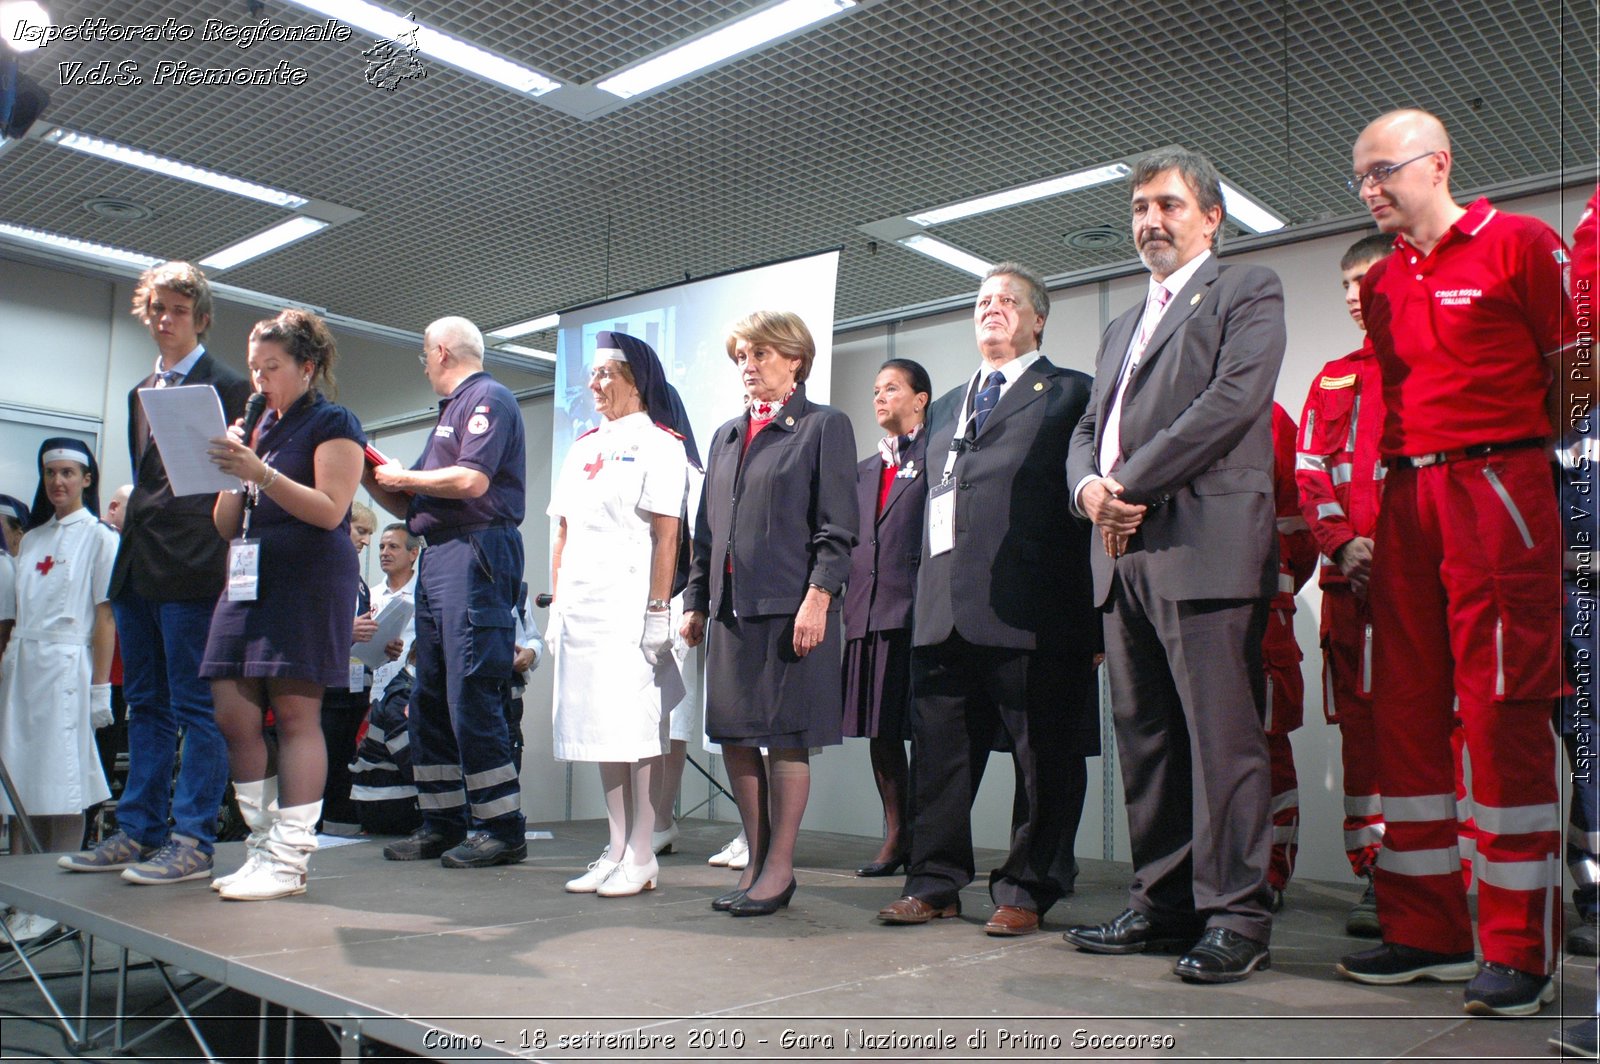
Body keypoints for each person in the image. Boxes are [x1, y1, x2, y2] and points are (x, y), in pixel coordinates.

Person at [1333, 108, 1577, 1018]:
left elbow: (1576, 373)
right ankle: (1425, 931)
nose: (1369, 189)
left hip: (1498, 489)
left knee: (1502, 712)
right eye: (1359, 178)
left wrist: (1538, 473)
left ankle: (1518, 948)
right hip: (1406, 502)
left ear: (1436, 164)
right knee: (1404, 713)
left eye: (1381, 171)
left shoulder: (1519, 243)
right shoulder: (1386, 280)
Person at [1064, 148, 1285, 983]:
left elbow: (1229, 403)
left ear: (1211, 218)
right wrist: (1089, 489)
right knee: (1148, 740)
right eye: (1139, 209)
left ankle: (1237, 917)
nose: (1150, 221)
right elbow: (1088, 427)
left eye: (1168, 205)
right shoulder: (1122, 324)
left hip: (1202, 547)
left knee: (1223, 745)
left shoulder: (1245, 290)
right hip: (1120, 550)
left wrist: (1125, 482)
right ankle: (1163, 905)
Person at [874, 264, 1096, 938]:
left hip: (1034, 609)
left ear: (1037, 320)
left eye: (1008, 301)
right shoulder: (943, 407)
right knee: (940, 759)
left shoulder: (1071, 394)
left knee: (1044, 759)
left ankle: (1029, 887)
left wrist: (1092, 624)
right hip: (944, 610)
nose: (992, 309)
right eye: (982, 301)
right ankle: (935, 882)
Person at [61, 261, 251, 884]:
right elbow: (147, 478)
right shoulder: (141, 388)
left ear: (200, 317)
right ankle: (136, 830)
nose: (165, 320)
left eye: (177, 310)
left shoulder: (230, 385)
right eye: (157, 310)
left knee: (198, 706)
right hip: (140, 558)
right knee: (144, 702)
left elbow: (232, 481)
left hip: (197, 559)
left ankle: (193, 838)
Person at [682, 310, 857, 917]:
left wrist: (819, 597)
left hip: (791, 611)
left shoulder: (823, 426)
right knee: (734, 735)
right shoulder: (726, 435)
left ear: (795, 362)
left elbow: (838, 528)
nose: (747, 367)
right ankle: (754, 863)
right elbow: (706, 532)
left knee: (785, 741)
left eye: (759, 355)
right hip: (731, 613)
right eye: (740, 357)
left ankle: (780, 869)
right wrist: (697, 601)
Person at [199, 309, 365, 901]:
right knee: (232, 712)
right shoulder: (257, 427)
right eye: (253, 368)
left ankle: (291, 857)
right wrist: (230, 466)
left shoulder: (333, 420)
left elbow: (329, 508)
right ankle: (262, 843)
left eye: (272, 367)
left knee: (296, 714)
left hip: (308, 577)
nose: (260, 379)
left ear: (307, 366)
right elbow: (224, 525)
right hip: (249, 575)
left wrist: (261, 472)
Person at [364, 316, 528, 869]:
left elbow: (470, 481)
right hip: (439, 554)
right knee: (428, 695)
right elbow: (413, 509)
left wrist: (403, 477)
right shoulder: (448, 415)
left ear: (439, 351)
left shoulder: (489, 398)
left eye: (422, 356)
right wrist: (370, 471)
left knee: (471, 692)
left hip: (476, 552)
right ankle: (442, 821)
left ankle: (500, 827)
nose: (424, 365)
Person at [549, 331, 693, 898]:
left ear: (638, 378)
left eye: (607, 373)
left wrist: (659, 610)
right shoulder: (582, 446)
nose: (595, 384)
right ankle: (613, 848)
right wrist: (558, 602)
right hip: (582, 607)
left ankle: (641, 852)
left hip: (630, 608)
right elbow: (560, 527)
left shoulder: (662, 444)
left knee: (636, 728)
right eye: (593, 375)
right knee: (598, 731)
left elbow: (667, 536)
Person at [0, 439, 118, 941]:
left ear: (87, 479)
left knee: (62, 780)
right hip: (23, 665)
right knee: (22, 781)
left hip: (67, 665)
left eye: (69, 473)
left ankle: (54, 895)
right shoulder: (31, 540)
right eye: (51, 474)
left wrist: (99, 688)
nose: (59, 483)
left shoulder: (100, 538)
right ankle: (21, 892)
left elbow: (105, 617)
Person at [843, 359, 932, 877]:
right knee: (881, 731)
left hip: (918, 611)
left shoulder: (938, 452)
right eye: (875, 390)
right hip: (868, 611)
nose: (879, 398)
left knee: (927, 731)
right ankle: (896, 834)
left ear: (920, 398)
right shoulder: (862, 469)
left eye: (891, 389)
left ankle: (926, 837)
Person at [1262, 404, 1317, 912]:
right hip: (1190, 616)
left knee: (1267, 748)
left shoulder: (1272, 419)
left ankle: (1270, 872)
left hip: (1262, 622)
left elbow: (1301, 536)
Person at [320, 501, 378, 837]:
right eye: (362, 531)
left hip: (355, 687)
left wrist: (379, 643)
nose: (366, 541)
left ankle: (337, 825)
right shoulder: (322, 571)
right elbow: (309, 625)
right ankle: (310, 826)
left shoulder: (357, 581)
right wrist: (347, 631)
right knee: (322, 756)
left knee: (344, 759)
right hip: (326, 686)